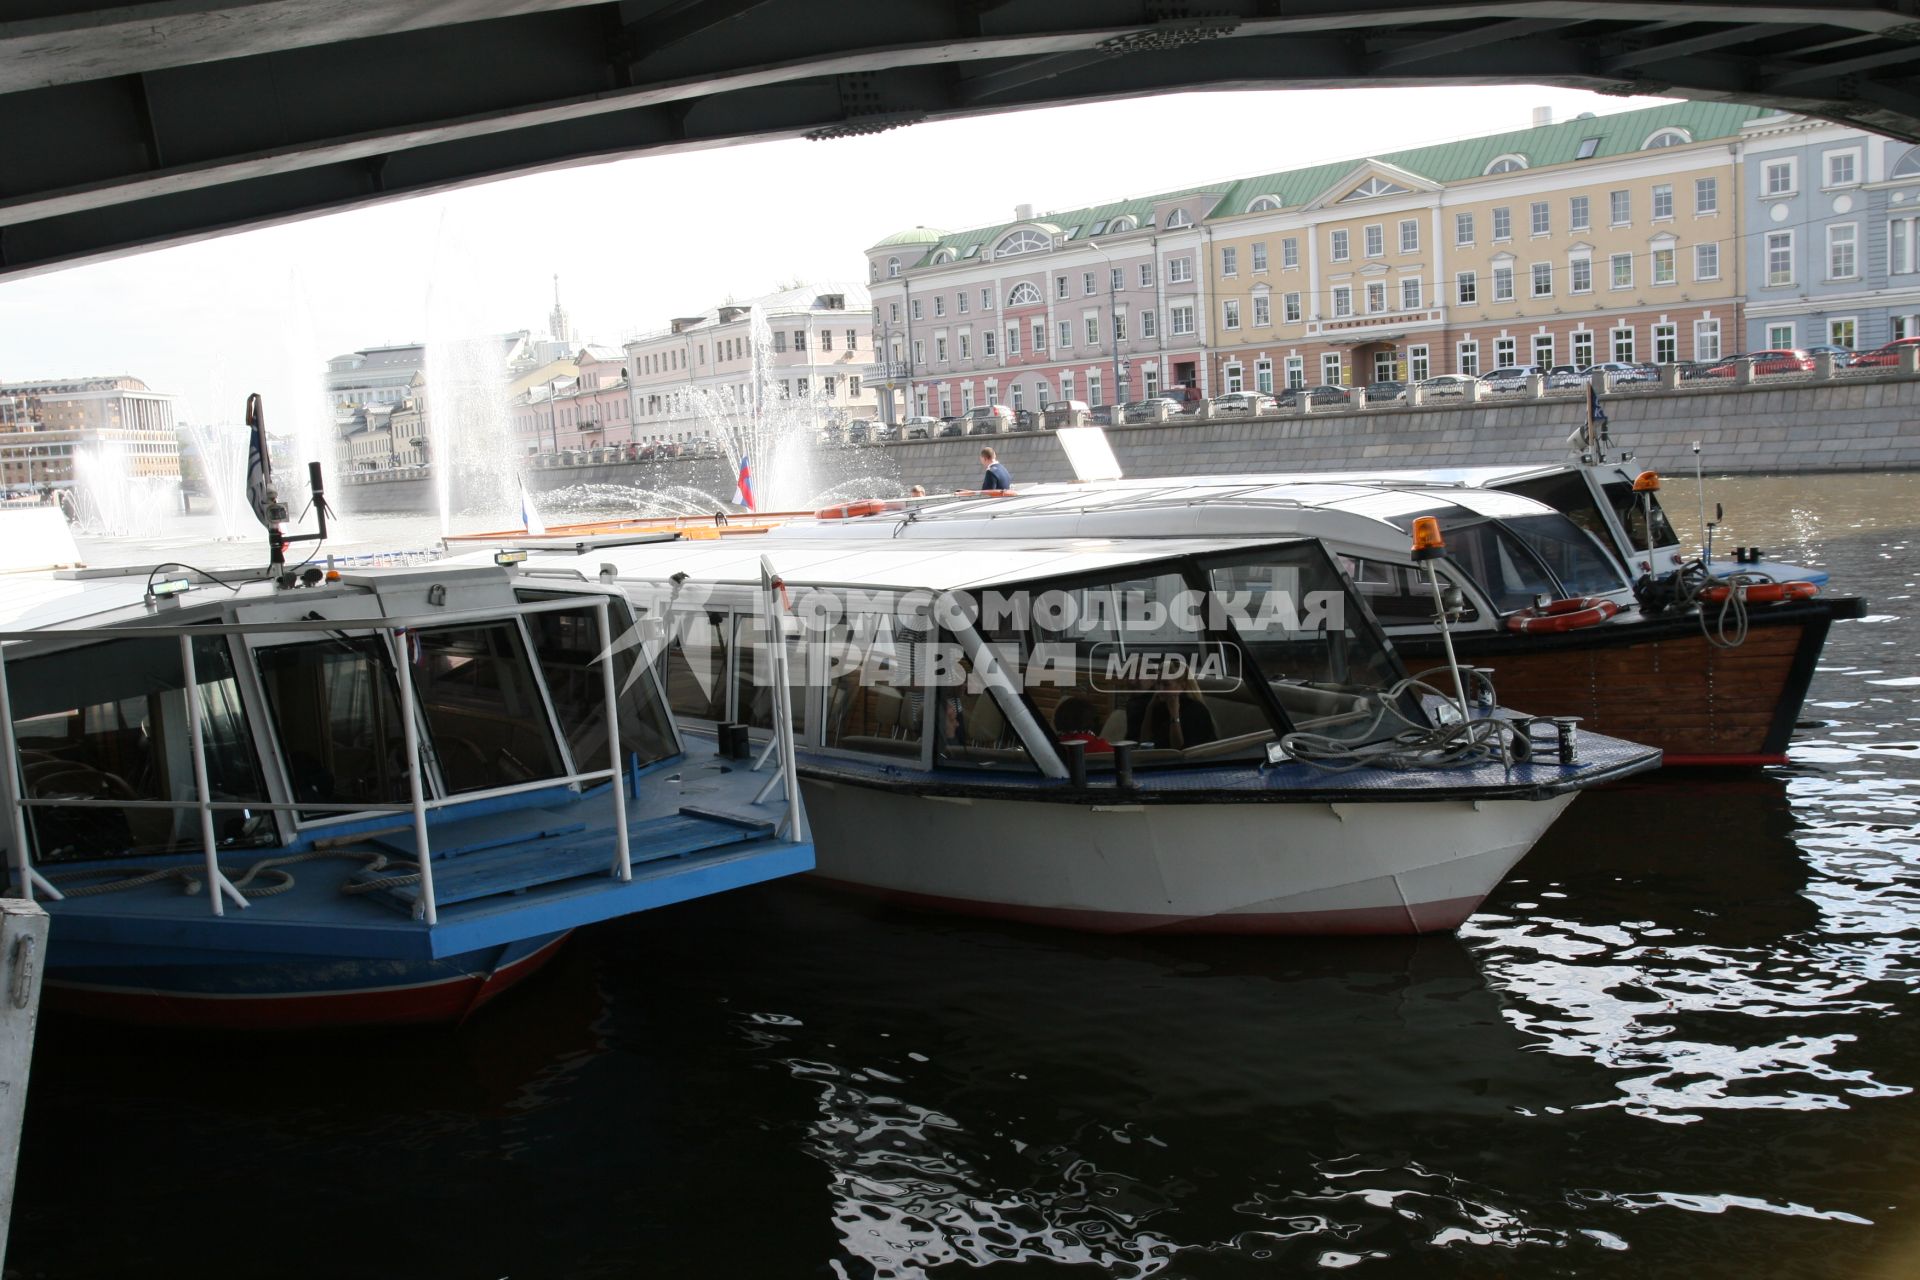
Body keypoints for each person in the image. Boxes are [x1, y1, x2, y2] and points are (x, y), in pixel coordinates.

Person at [1125, 677, 1216, 750]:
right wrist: (1150, 708)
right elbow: (1145, 742)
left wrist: (1174, 714)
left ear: (1182, 686)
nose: (1159, 689)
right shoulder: (1161, 706)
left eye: (1166, 684)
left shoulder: (1196, 710)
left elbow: (1178, 750)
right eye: (1158, 683)